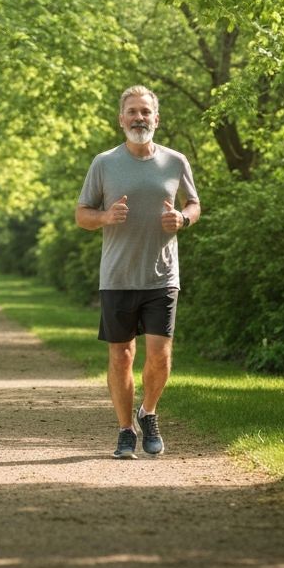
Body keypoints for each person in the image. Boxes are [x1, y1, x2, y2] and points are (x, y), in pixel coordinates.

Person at [75, 85, 200, 459]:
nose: (139, 118)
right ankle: (125, 429)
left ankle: (148, 412)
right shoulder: (104, 163)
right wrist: (105, 216)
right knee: (121, 356)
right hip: (117, 276)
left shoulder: (175, 161)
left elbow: (193, 204)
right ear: (121, 119)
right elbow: (82, 215)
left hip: (162, 275)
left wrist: (182, 218)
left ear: (156, 119)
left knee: (160, 356)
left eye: (145, 112)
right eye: (132, 111)